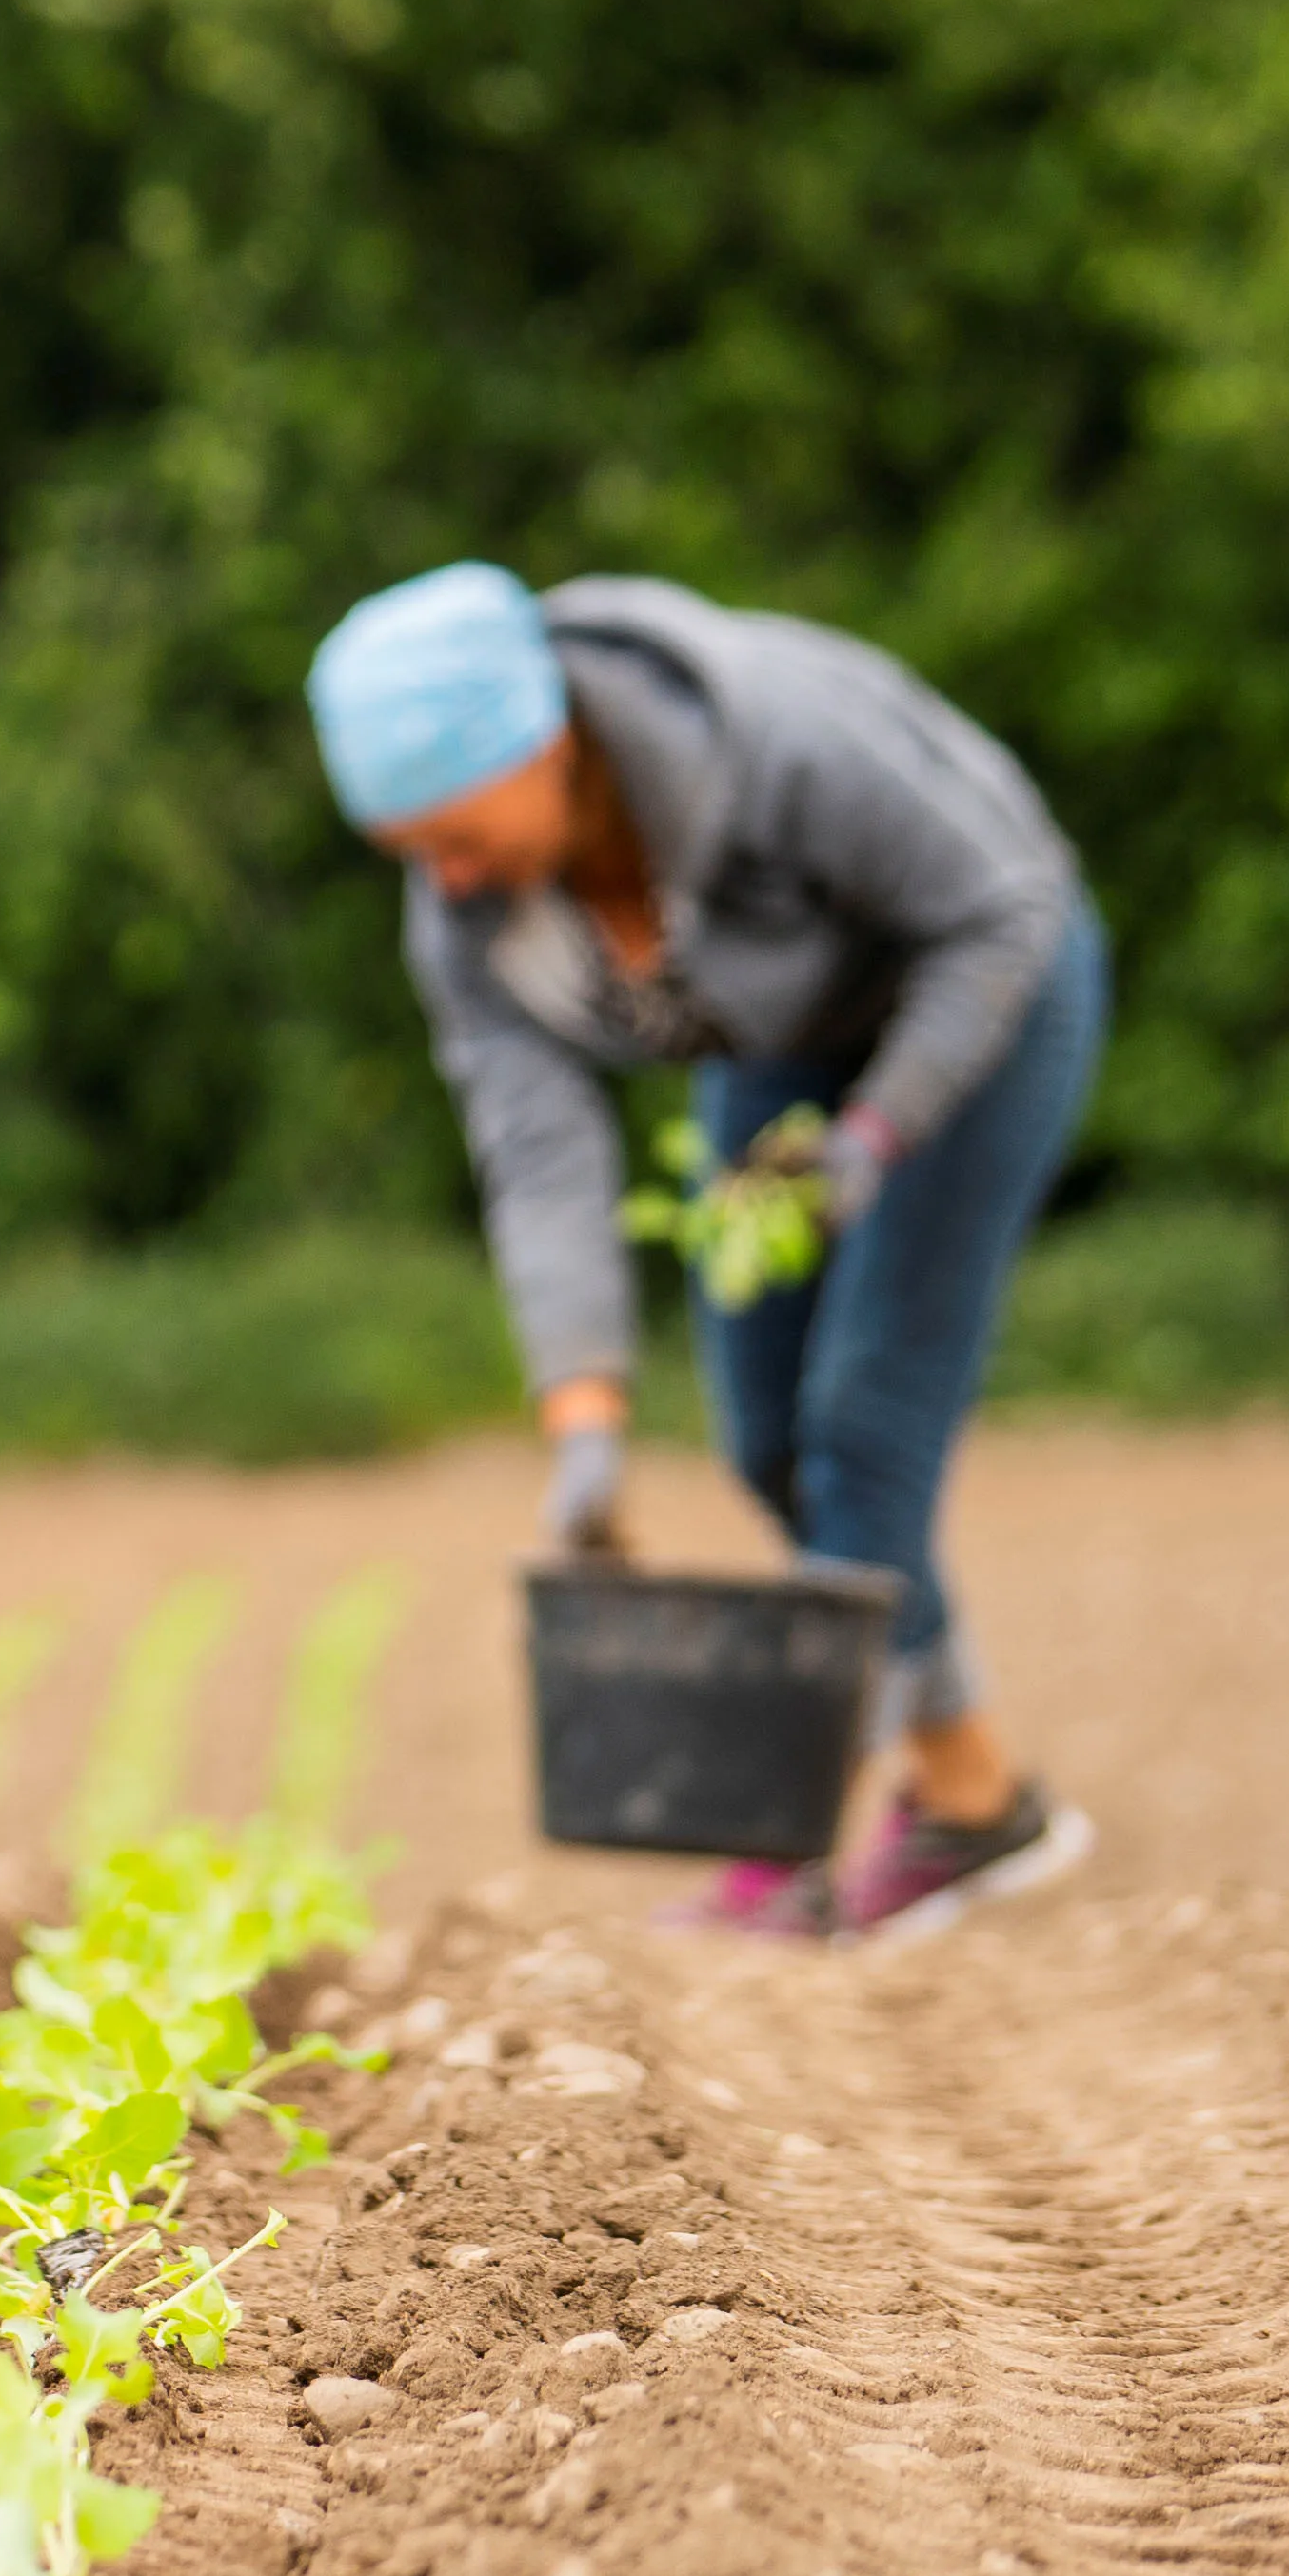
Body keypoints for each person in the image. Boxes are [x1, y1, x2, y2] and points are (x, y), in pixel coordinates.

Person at [307, 559, 1102, 1945]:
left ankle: (783, 1847)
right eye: (411, 855)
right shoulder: (470, 917)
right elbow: (540, 1155)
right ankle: (977, 1804)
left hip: (986, 1004)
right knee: (768, 1441)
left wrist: (875, 1133)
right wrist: (585, 1428)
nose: (444, 880)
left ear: (546, 750)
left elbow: (1003, 914)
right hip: (783, 1050)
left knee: (864, 1438)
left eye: (456, 836)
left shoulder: (776, 735)